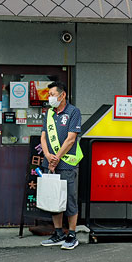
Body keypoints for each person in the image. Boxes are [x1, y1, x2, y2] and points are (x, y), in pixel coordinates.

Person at [40, 81, 83, 250]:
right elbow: (43, 137)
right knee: (53, 198)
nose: (50, 98)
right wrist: (47, 155)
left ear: (62, 94)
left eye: (52, 94)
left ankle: (72, 234)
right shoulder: (49, 113)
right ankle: (58, 233)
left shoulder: (73, 112)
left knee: (70, 199)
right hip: (50, 163)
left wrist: (57, 157)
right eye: (49, 95)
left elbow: (71, 138)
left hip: (67, 164)